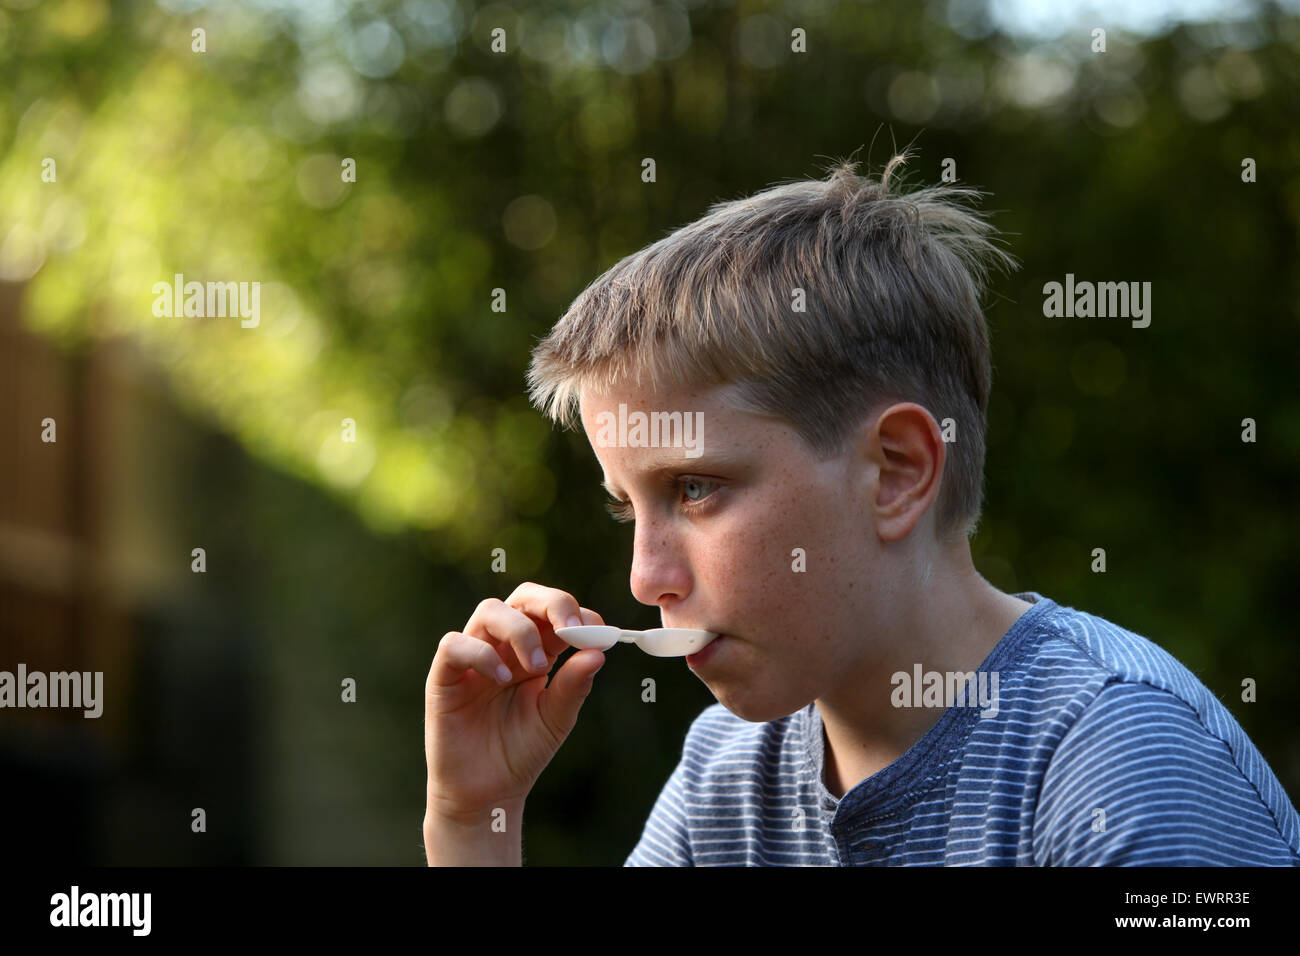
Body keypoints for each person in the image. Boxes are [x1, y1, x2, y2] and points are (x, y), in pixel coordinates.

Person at [423, 152, 1300, 865]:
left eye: (695, 489)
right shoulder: (727, 781)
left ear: (896, 473)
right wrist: (474, 820)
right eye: (629, 508)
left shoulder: (1122, 767)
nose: (647, 578)